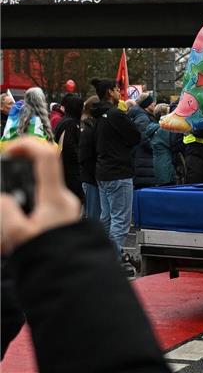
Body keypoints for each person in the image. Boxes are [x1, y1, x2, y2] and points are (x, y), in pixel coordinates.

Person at [0, 137, 168, 371]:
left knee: (108, 217)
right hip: (102, 179)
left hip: (96, 177)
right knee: (116, 218)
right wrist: (60, 250)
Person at [89, 78, 141, 263]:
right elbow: (135, 136)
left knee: (107, 218)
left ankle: (104, 257)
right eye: (117, 89)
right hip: (119, 172)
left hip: (103, 171)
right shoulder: (115, 115)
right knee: (120, 220)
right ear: (110, 92)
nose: (120, 92)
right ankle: (113, 261)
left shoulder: (97, 116)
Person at [53, 93, 84, 201]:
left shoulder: (64, 120)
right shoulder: (70, 123)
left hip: (64, 170)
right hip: (70, 173)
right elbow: (69, 147)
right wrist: (80, 159)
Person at [77, 96, 101, 221]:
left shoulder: (91, 126)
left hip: (93, 177)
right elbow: (84, 156)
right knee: (93, 216)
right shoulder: (88, 129)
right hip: (91, 179)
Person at [149, 104, 182, 186]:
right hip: (167, 168)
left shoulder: (155, 128)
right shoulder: (163, 129)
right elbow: (176, 144)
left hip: (161, 166)